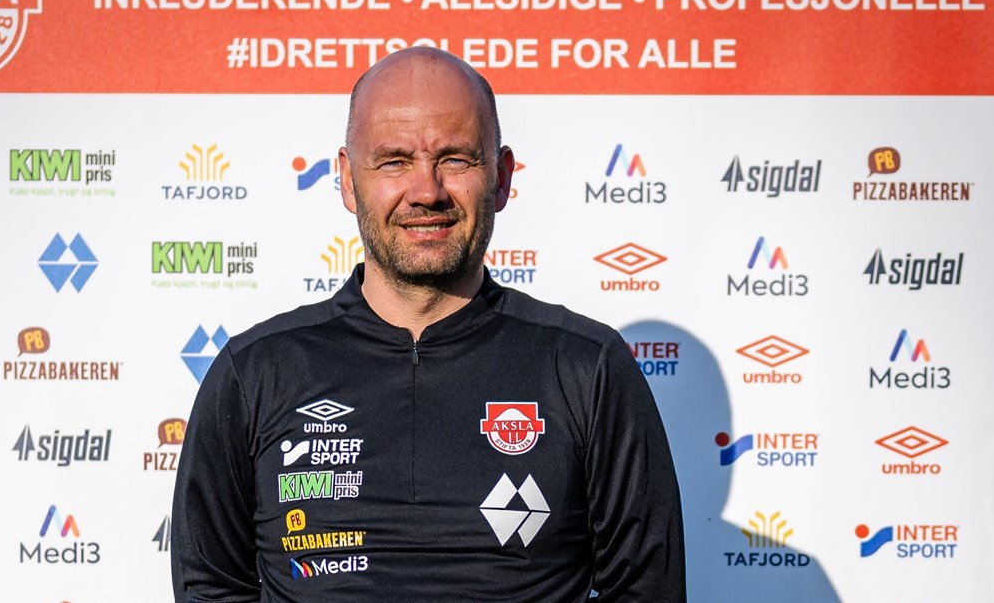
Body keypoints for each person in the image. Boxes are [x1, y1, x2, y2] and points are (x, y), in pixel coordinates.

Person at [171, 46, 685, 602]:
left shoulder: (586, 368)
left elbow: (647, 591)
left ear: (501, 178)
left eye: (455, 159)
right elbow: (210, 589)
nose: (426, 191)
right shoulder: (255, 374)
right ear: (347, 179)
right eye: (394, 161)